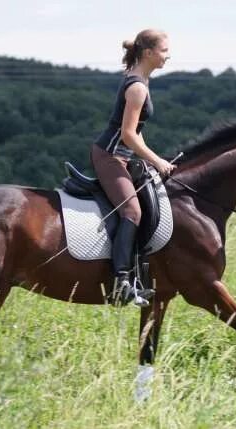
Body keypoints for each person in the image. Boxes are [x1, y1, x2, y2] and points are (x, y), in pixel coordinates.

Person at [91, 29, 176, 307]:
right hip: (109, 156)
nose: (168, 55)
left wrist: (150, 158)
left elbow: (136, 133)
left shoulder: (142, 80)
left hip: (124, 157)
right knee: (132, 211)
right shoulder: (137, 87)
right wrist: (156, 160)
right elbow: (128, 134)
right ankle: (122, 282)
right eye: (164, 50)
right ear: (149, 53)